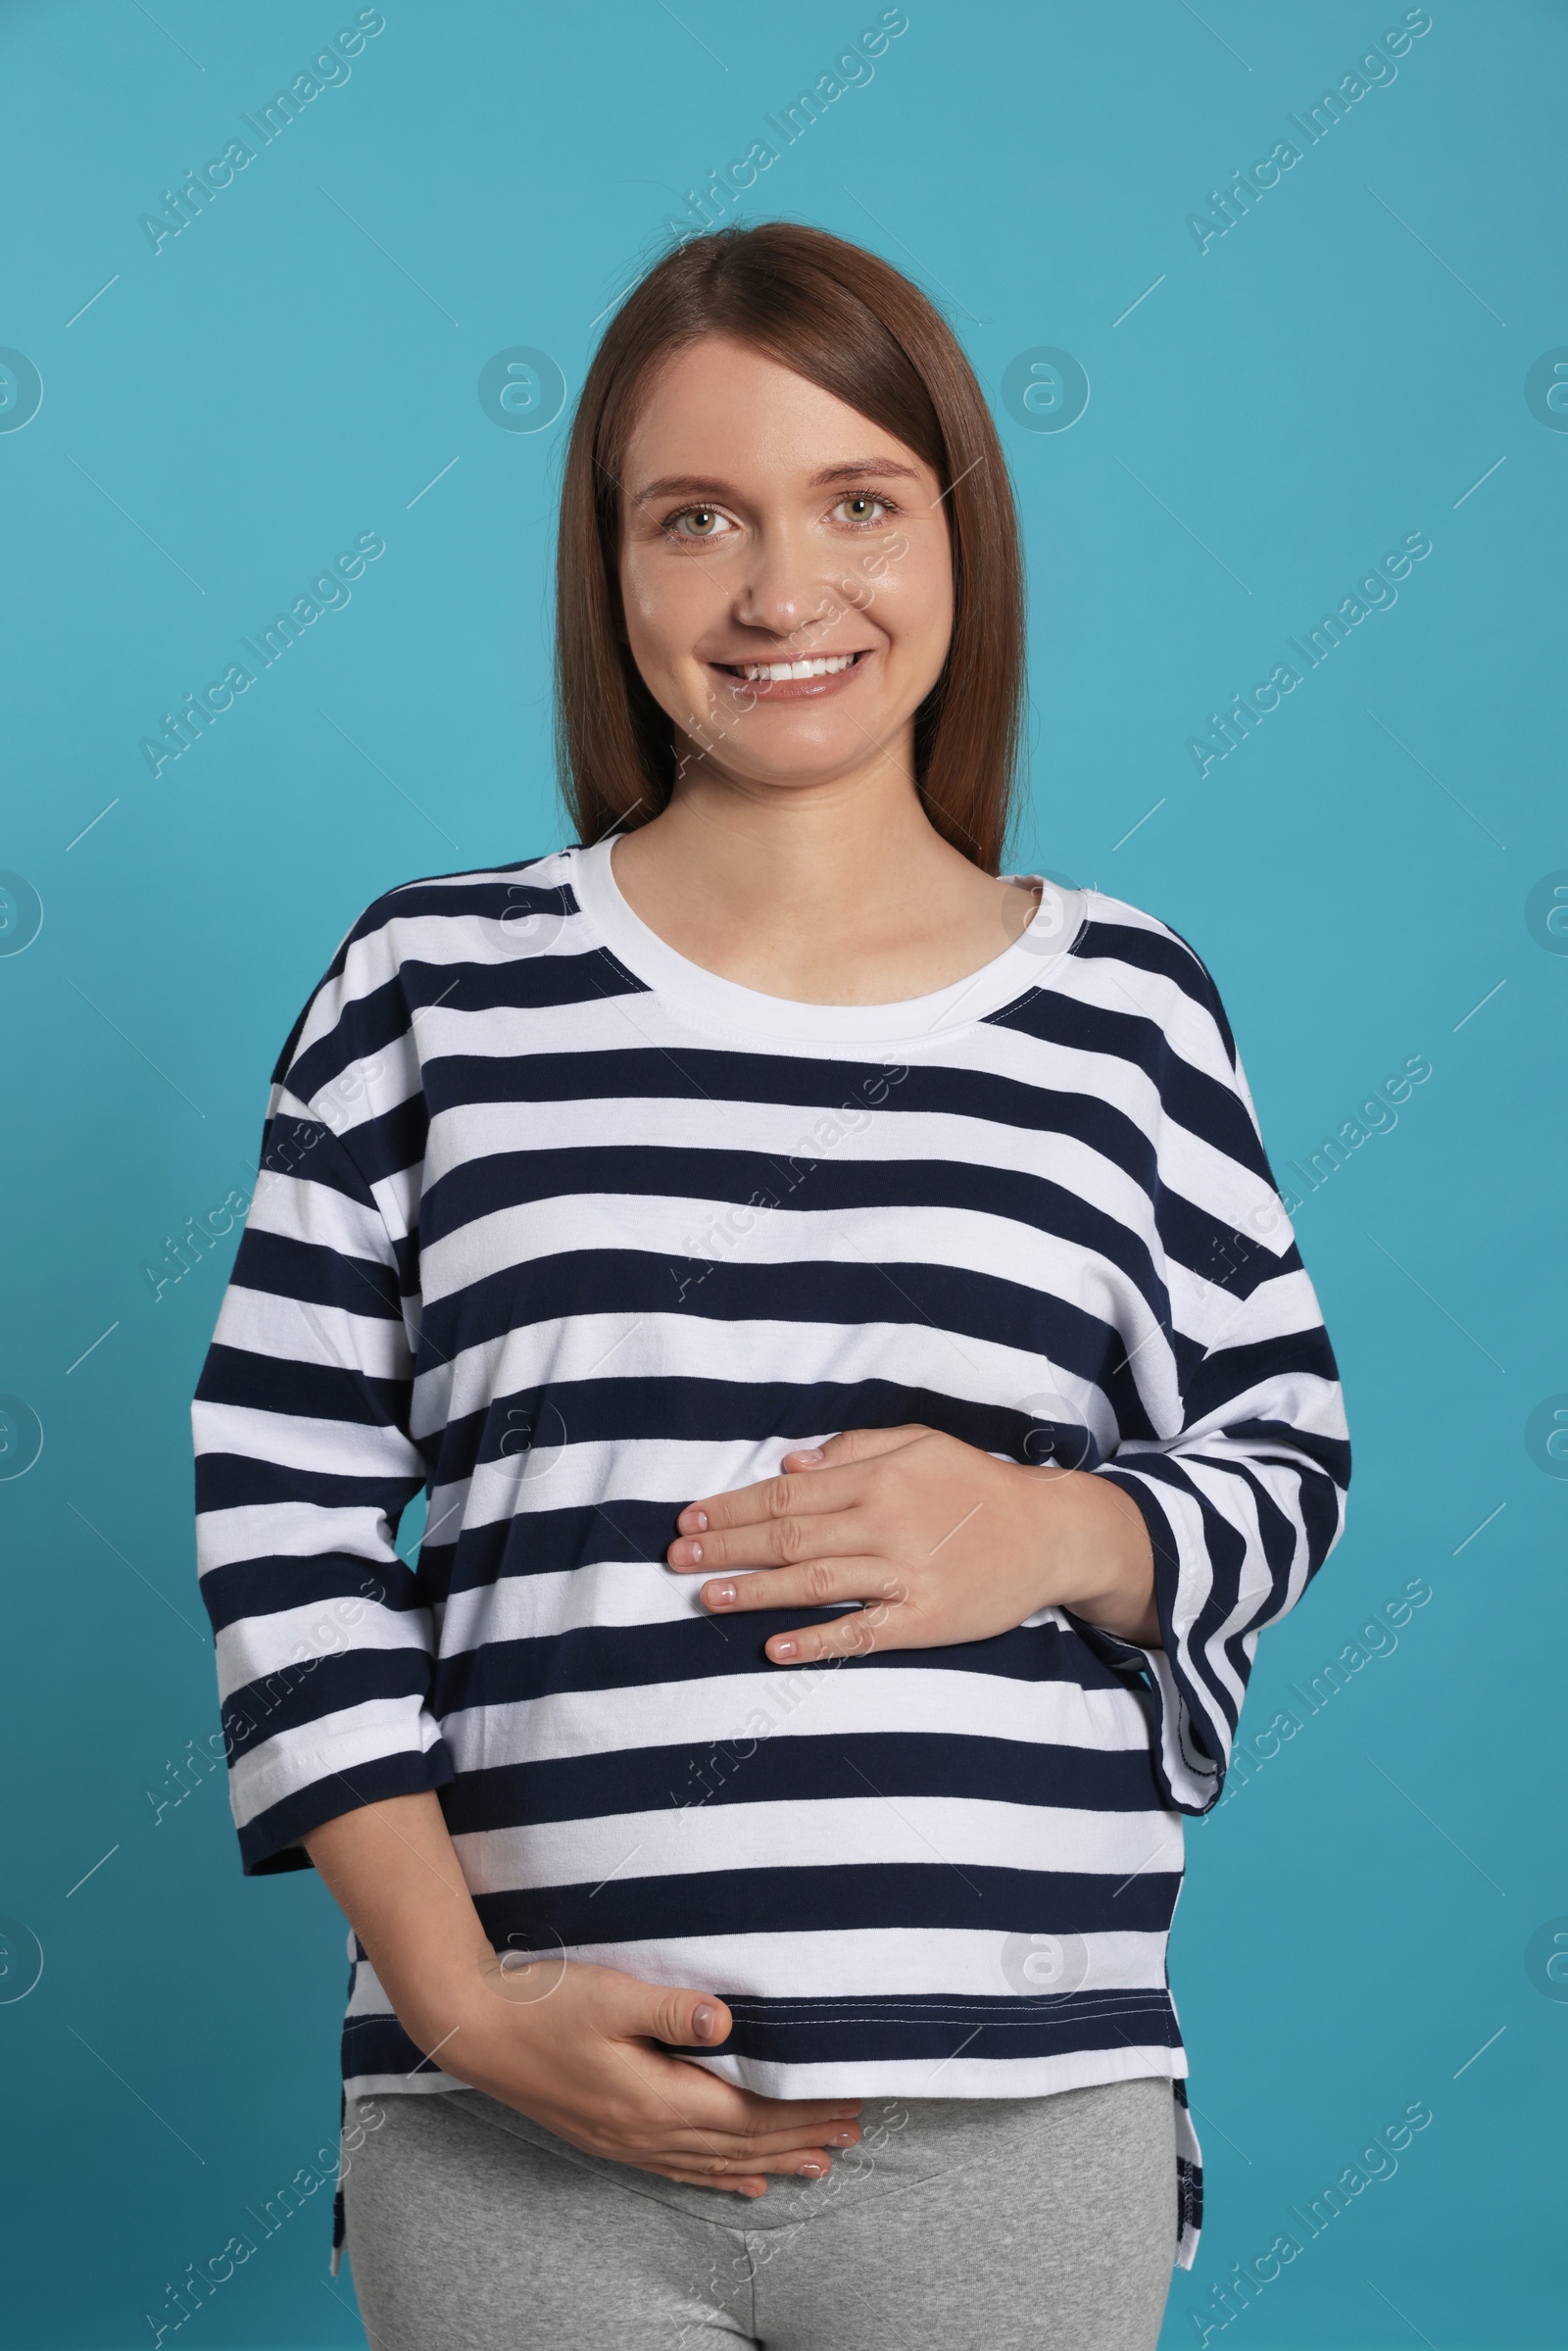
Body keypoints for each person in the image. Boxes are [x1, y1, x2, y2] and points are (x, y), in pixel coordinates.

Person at [193, 221, 1348, 2350]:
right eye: (693, 516)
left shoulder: (1123, 1013)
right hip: (514, 2116)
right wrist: (454, 1999)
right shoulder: (426, 991)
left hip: (1009, 2126)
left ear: (955, 539)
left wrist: (1055, 1526)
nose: (777, 590)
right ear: (608, 567)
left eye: (856, 504)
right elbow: (280, 1506)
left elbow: (1283, 1458)